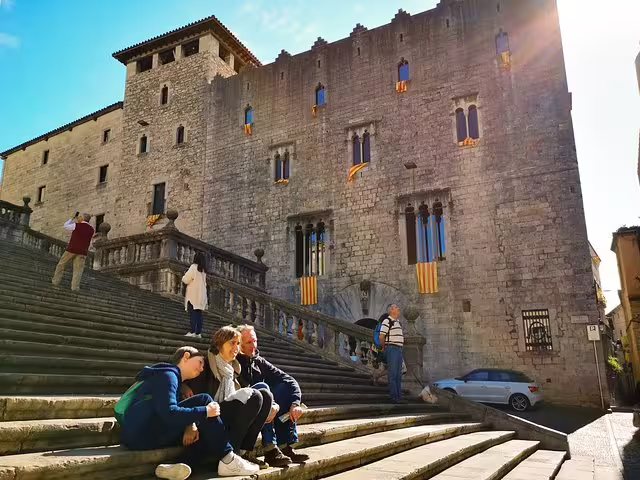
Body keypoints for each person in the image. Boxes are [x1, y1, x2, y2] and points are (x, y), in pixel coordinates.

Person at [118, 346, 259, 479]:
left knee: (204, 430)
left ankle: (179, 465)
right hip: (141, 434)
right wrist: (204, 411)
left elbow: (169, 411)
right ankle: (228, 458)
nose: (202, 368)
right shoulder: (168, 376)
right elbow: (169, 413)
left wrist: (191, 423)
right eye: (200, 362)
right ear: (186, 356)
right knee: (205, 400)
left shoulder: (172, 379)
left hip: (145, 432)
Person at [183, 326, 273, 468]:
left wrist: (271, 405)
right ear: (219, 344)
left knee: (265, 395)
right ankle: (231, 457)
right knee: (255, 397)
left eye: (238, 344)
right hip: (207, 417)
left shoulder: (233, 369)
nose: (236, 347)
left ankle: (242, 452)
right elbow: (186, 391)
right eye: (232, 343)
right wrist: (190, 424)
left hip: (222, 414)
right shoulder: (205, 364)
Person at [237, 324, 310, 467]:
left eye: (255, 341)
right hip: (243, 410)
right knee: (264, 392)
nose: (254, 345)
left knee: (284, 389)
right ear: (239, 345)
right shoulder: (233, 360)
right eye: (249, 342)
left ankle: (285, 446)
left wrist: (295, 403)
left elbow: (289, 380)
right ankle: (270, 449)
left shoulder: (258, 361)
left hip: (262, 408)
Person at [51, 212, 95, 291]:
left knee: (61, 265)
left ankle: (55, 281)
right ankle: (75, 287)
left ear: (82, 218)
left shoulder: (76, 225)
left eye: (80, 217)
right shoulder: (91, 229)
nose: (78, 218)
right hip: (83, 252)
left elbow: (66, 226)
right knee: (78, 270)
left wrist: (72, 218)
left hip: (72, 249)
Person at [379, 304, 405, 404]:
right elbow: (382, 336)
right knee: (393, 374)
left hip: (398, 349)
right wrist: (384, 347)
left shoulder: (398, 322)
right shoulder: (387, 321)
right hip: (392, 349)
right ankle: (394, 397)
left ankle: (399, 397)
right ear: (391, 310)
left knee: (398, 374)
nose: (398, 308)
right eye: (396, 307)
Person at [182, 252, 207, 339]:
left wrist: (184, 275)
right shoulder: (203, 270)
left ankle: (193, 331)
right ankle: (198, 332)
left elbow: (186, 279)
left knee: (192, 313)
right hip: (201, 295)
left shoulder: (194, 267)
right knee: (199, 314)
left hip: (193, 294)